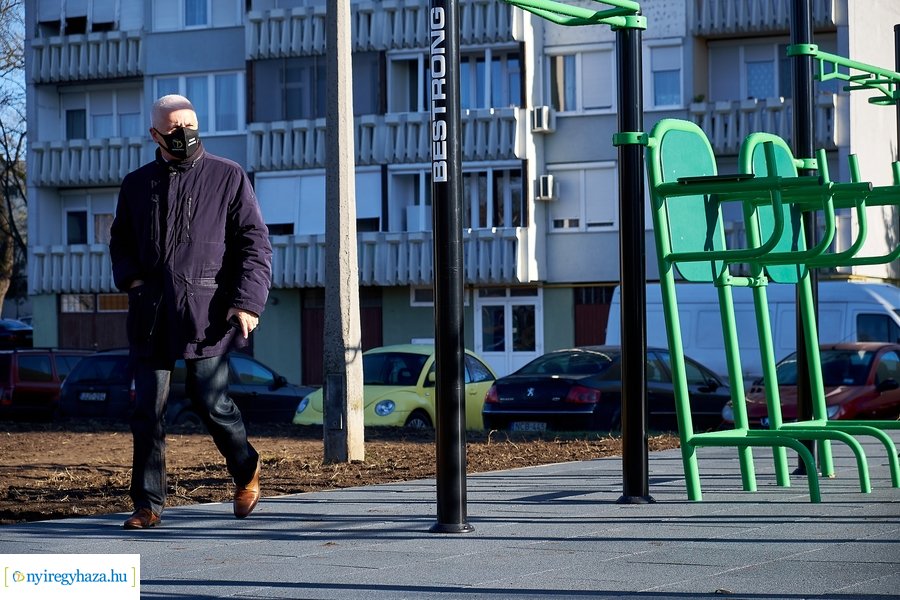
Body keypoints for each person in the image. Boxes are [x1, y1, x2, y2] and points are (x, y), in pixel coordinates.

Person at [109, 94, 272, 529]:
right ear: (156, 134)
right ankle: (147, 504)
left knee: (210, 401)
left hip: (209, 312)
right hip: (151, 313)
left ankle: (246, 468)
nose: (184, 134)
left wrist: (247, 302)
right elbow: (120, 242)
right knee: (147, 409)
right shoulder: (136, 184)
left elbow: (254, 244)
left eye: (190, 125)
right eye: (174, 128)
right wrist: (134, 280)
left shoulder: (228, 176)